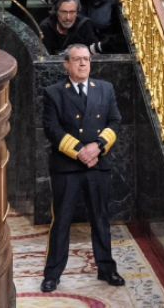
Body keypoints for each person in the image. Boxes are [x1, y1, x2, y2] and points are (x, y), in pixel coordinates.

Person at [40, 44, 123, 293]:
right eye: (77, 60)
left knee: (101, 219)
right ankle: (52, 274)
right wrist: (81, 152)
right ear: (66, 64)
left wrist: (97, 147)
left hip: (98, 164)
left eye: (86, 59)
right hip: (67, 166)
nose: (83, 64)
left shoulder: (105, 89)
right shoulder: (53, 92)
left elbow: (115, 121)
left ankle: (107, 269)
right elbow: (52, 129)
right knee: (62, 221)